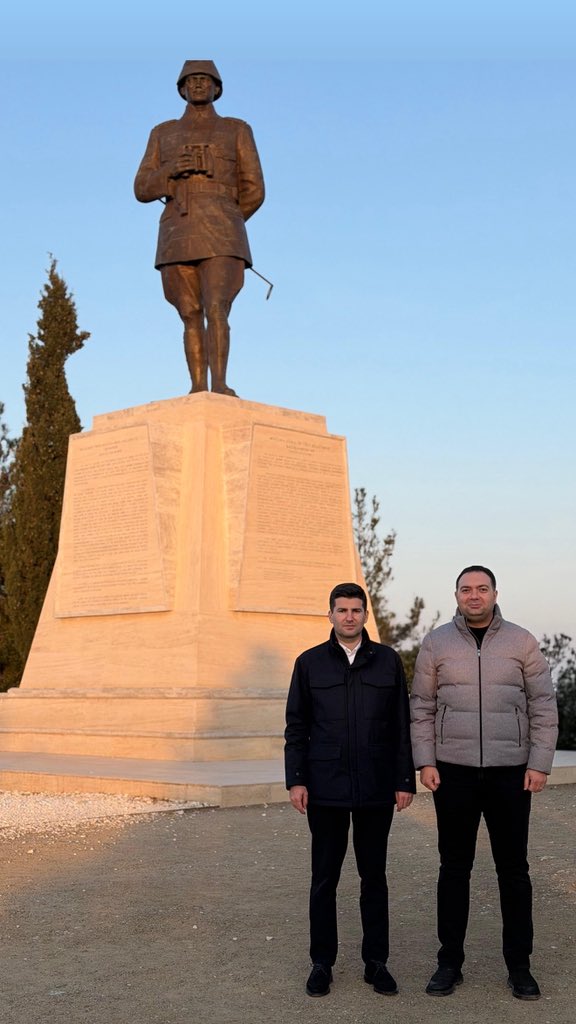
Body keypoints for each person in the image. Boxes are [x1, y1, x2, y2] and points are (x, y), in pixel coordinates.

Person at [410, 566, 558, 1001]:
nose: (474, 596)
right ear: (455, 594)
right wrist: (425, 761)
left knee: (513, 871)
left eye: (482, 589)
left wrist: (540, 764)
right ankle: (448, 963)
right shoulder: (436, 642)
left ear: (495, 593)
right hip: (451, 771)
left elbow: (543, 706)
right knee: (454, 868)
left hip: (510, 772)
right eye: (466, 589)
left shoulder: (522, 641)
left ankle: (519, 967)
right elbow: (420, 705)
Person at [285, 582, 415, 998]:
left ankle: (376, 962)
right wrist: (297, 779)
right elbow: (297, 728)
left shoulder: (388, 663)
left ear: (365, 615)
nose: (349, 617)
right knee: (324, 879)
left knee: (373, 877)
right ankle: (321, 963)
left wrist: (403, 780)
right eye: (341, 610)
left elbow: (401, 726)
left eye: (356, 610)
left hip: (377, 789)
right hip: (325, 789)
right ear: (330, 615)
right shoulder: (309, 664)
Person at [134, 60, 265, 396]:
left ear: (216, 87)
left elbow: (254, 189)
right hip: (177, 230)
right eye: (190, 80)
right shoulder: (162, 134)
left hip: (222, 231)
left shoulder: (237, 129)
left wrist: (227, 217)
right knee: (190, 312)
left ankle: (219, 384)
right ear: (181, 87)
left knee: (217, 306)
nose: (197, 85)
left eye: (204, 79)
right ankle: (197, 386)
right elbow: (141, 188)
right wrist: (170, 172)